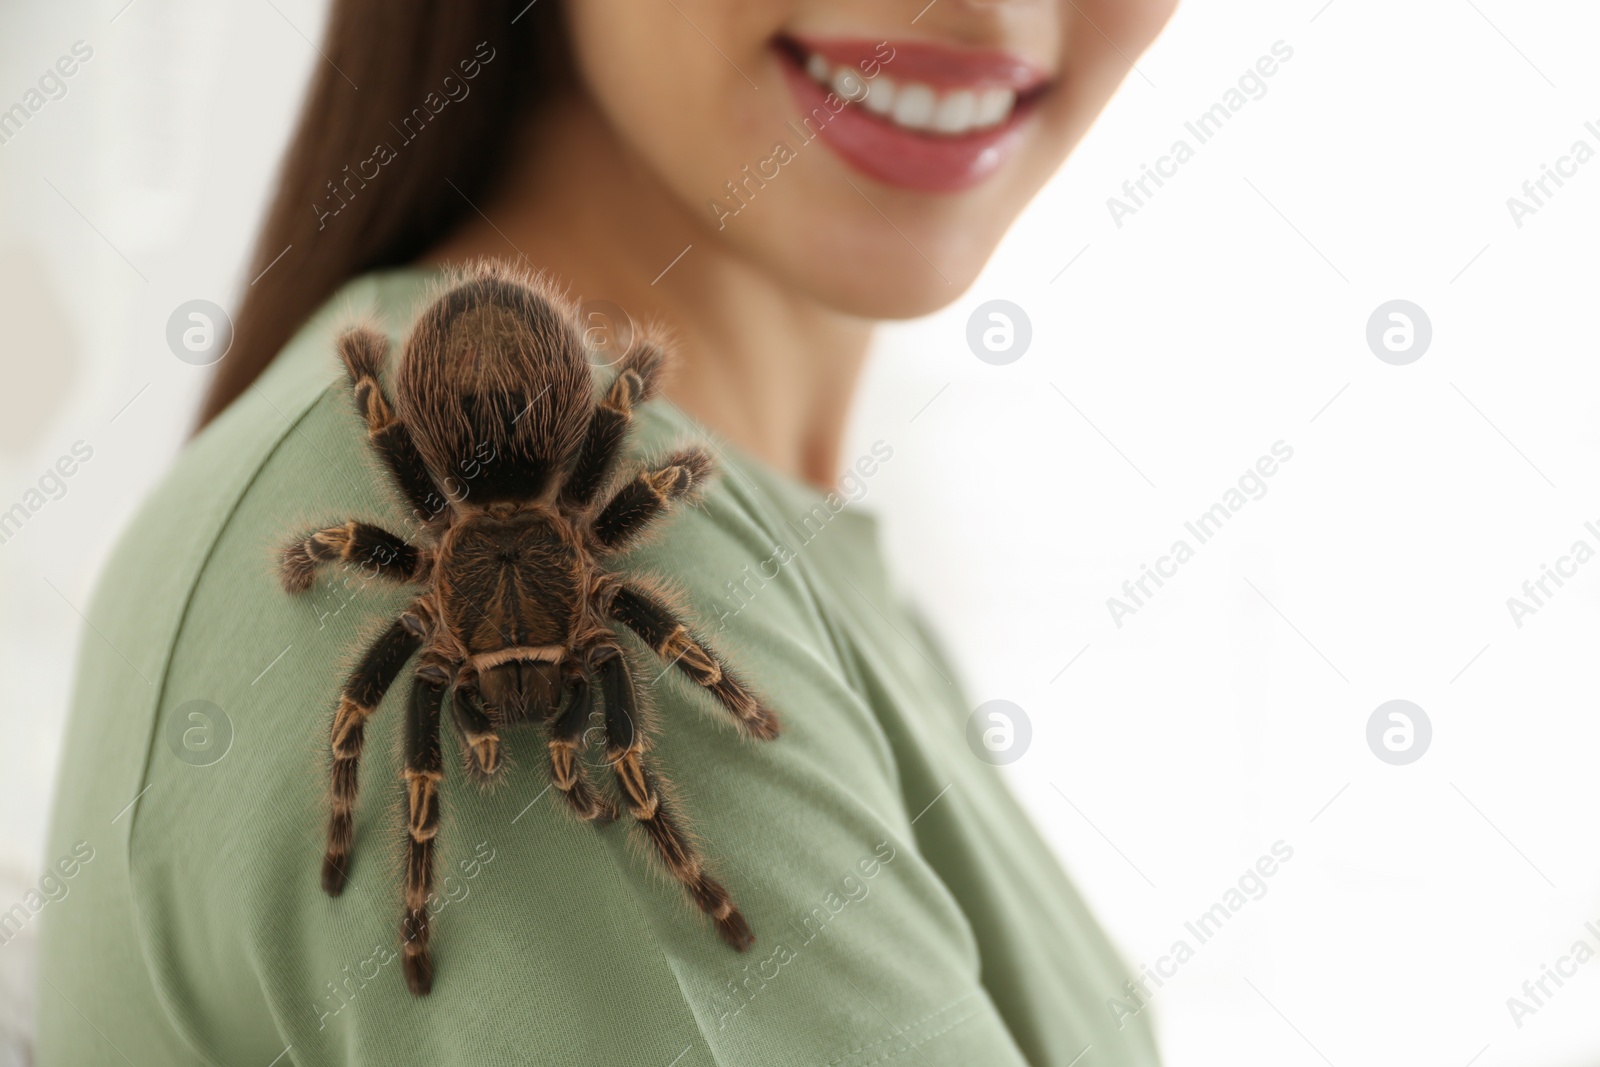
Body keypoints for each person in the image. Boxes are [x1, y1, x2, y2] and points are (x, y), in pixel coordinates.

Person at [37, 1, 1177, 1063]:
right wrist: (368, 840)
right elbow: (361, 706)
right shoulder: (611, 535)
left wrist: (732, 695)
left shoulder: (788, 551)